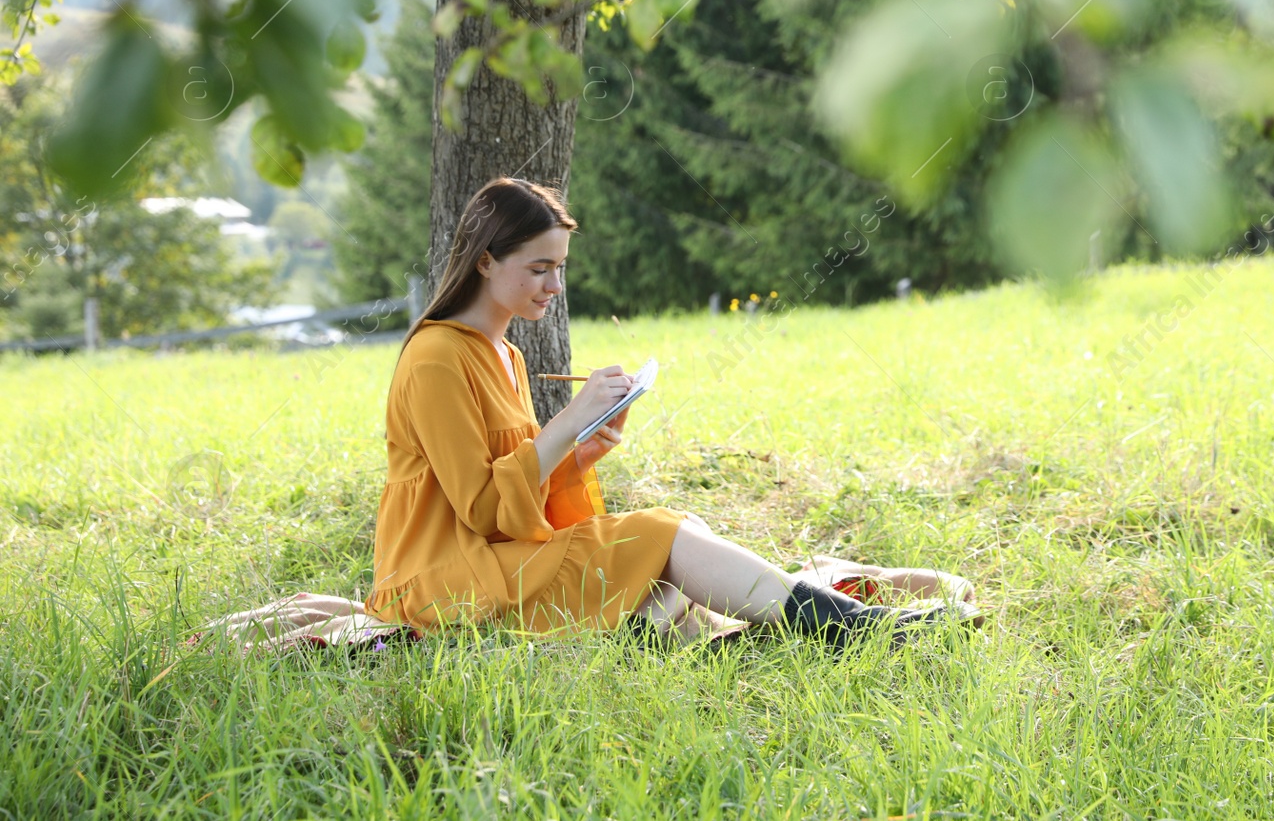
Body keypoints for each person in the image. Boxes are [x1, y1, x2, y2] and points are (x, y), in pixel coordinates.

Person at [364, 176, 973, 648]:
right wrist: (569, 421)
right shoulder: (438, 357)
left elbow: (514, 491)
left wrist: (579, 455)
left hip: (492, 559)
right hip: (443, 580)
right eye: (539, 269)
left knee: (675, 535)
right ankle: (856, 629)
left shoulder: (507, 356)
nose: (554, 286)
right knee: (663, 538)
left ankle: (792, 625)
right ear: (485, 261)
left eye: (561, 269)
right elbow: (480, 508)